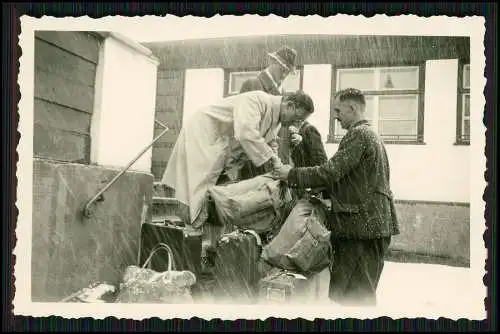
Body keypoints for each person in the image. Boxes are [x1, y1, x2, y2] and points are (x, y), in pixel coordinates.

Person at [272, 88, 400, 307]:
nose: (335, 116)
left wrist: (289, 174)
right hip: (369, 226)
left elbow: (330, 172)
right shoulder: (370, 135)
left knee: (356, 297)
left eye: (338, 110)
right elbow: (349, 180)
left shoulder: (359, 134)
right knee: (353, 294)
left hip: (363, 229)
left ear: (352, 108)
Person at [161, 89, 315, 229]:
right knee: (197, 192)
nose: (296, 124)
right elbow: (245, 132)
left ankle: (200, 237)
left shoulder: (274, 119)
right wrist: (274, 162)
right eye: (297, 119)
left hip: (219, 145)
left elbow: (269, 143)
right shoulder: (257, 100)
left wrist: (278, 165)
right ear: (290, 105)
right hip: (204, 134)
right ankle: (189, 234)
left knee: (214, 195)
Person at [239, 45, 298, 179]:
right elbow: (245, 127)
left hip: (269, 154)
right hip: (251, 155)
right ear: (273, 62)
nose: (284, 74)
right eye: (282, 69)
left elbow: (275, 127)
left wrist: (292, 133)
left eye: (287, 71)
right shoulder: (252, 84)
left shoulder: (282, 92)